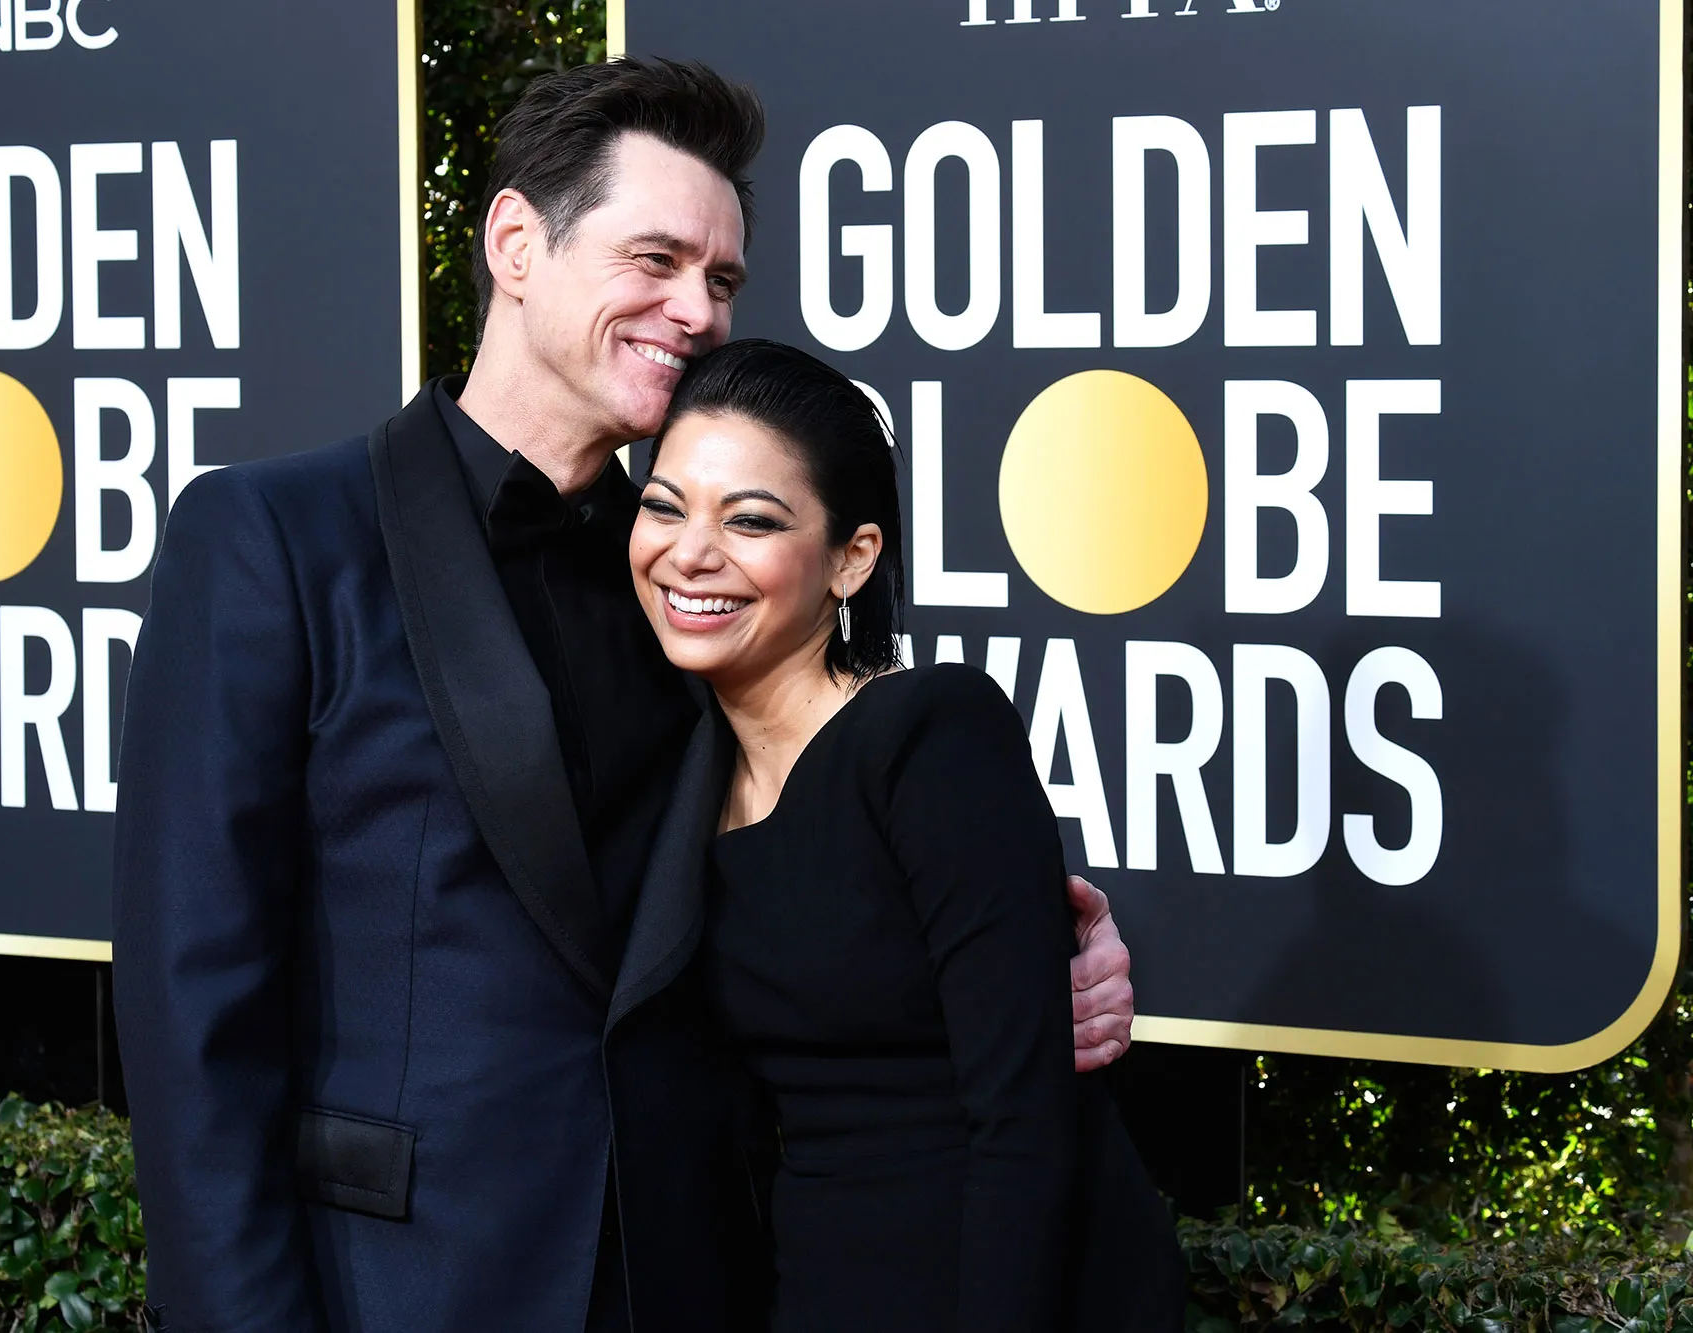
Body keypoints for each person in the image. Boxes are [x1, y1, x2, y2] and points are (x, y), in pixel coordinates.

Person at [112, 58, 1138, 1333]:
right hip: (404, 1285)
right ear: (515, 244)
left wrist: (1044, 950)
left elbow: (822, 847)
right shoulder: (274, 538)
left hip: (692, 1279)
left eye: (721, 280)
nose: (695, 311)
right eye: (655, 259)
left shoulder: (689, 582)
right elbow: (193, 1005)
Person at [631, 338, 1183, 1331]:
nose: (691, 552)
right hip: (816, 1285)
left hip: (996, 1286)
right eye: (665, 506)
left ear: (852, 558)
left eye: (749, 520)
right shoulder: (676, 774)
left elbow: (1023, 1125)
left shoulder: (931, 736)